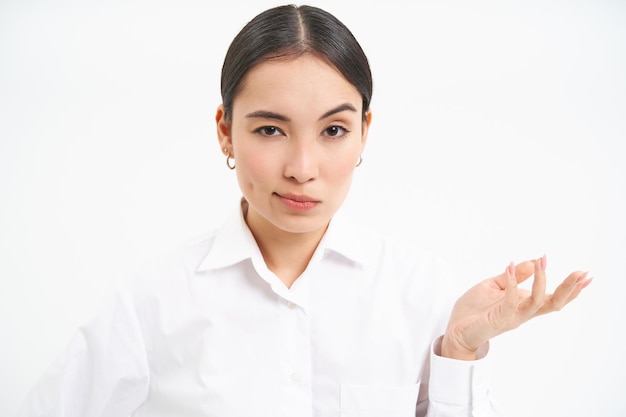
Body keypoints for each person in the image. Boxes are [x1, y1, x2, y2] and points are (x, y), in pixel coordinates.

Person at [18, 4, 591, 417]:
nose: (302, 166)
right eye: (270, 128)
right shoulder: (150, 302)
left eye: (334, 130)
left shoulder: (420, 291)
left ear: (365, 133)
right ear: (225, 132)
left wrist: (461, 351)